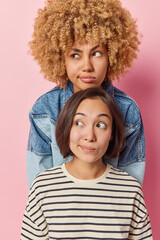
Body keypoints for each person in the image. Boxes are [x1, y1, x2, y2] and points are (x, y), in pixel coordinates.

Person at [27, 0, 145, 189]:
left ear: (112, 55)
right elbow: (39, 190)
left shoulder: (127, 110)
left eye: (96, 53)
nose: (87, 66)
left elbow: (131, 192)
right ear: (59, 58)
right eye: (75, 55)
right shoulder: (45, 110)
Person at [21, 88, 152, 240]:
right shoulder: (43, 186)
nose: (89, 136)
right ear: (66, 128)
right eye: (79, 123)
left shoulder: (130, 190)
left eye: (101, 125)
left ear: (111, 134)